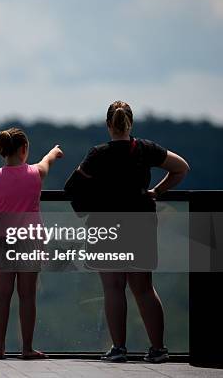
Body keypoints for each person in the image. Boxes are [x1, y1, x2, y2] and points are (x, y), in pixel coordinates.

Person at [67, 101, 189, 363]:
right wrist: (157, 191)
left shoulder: (98, 154)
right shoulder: (145, 149)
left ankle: (119, 349)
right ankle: (158, 349)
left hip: (105, 225)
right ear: (129, 123)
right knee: (144, 288)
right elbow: (181, 167)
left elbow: (73, 186)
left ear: (108, 125)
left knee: (113, 287)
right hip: (140, 224)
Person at [0, 127, 63, 359]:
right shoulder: (36, 173)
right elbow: (47, 161)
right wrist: (54, 152)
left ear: (3, 151)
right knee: (27, 296)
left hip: (3, 239)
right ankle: (27, 348)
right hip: (30, 240)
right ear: (24, 149)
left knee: (2, 295)